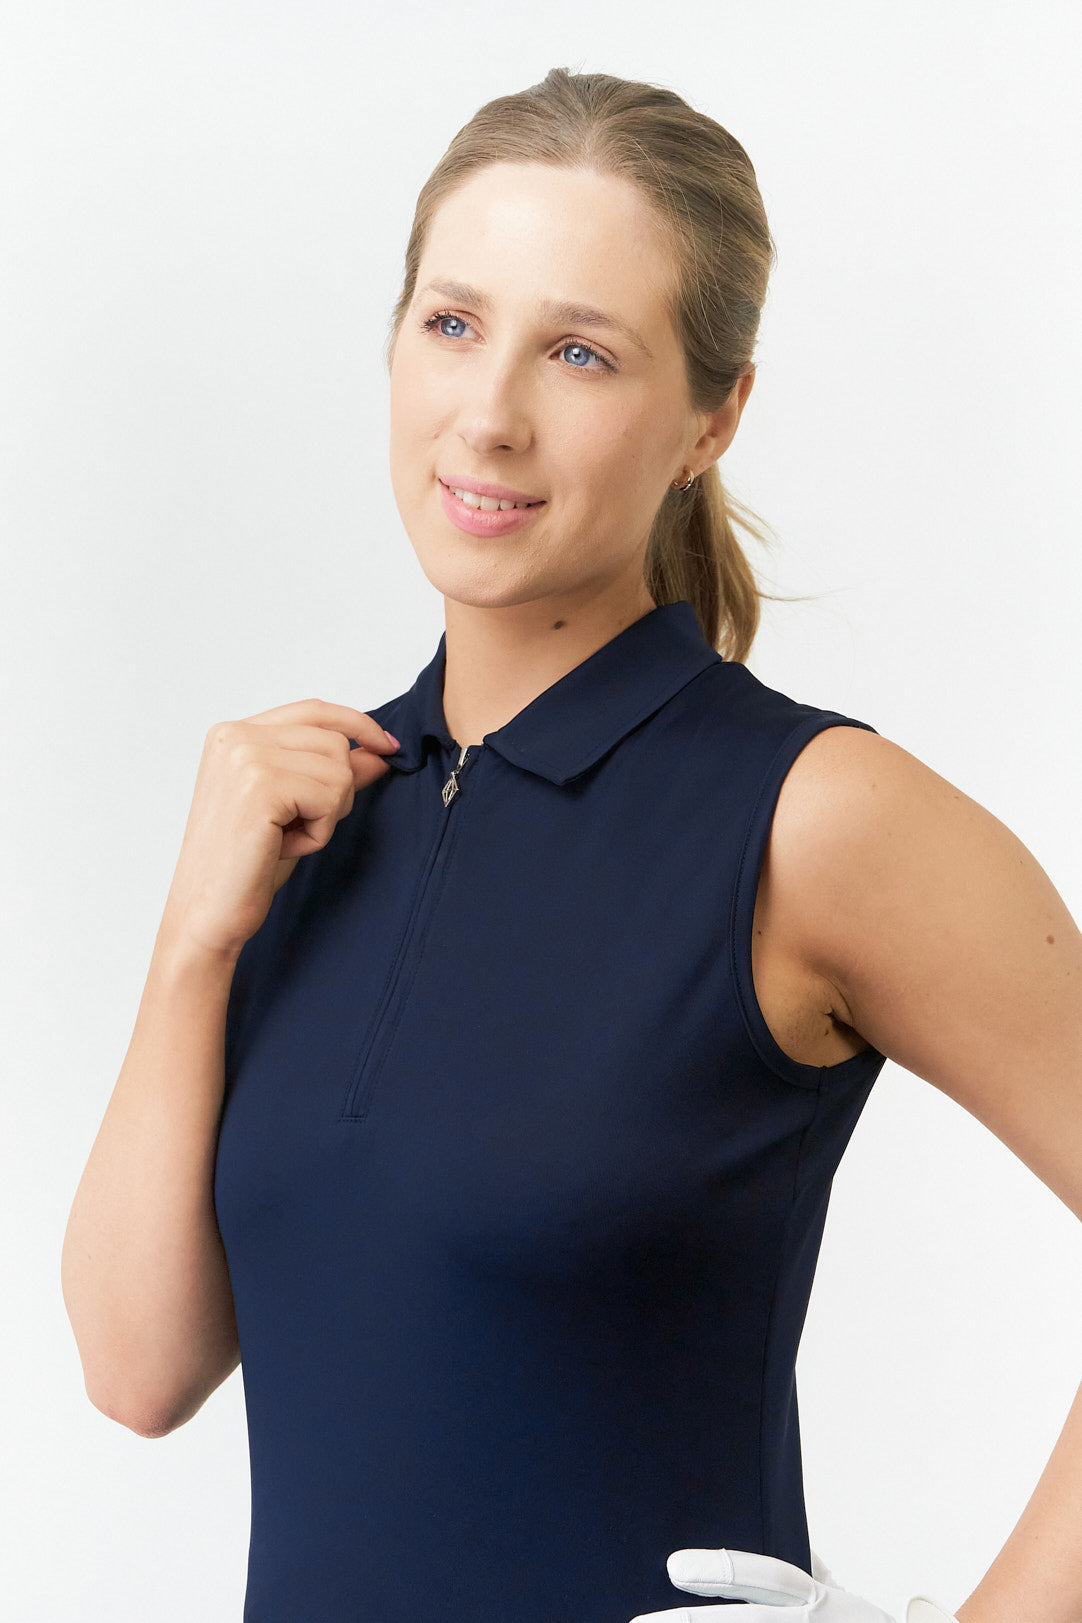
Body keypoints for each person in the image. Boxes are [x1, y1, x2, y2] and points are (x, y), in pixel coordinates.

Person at [60, 68, 1081, 1623]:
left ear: (711, 418)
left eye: (581, 352)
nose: (488, 414)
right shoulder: (302, 819)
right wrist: (193, 941)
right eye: (451, 324)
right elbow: (138, 1369)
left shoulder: (811, 815)